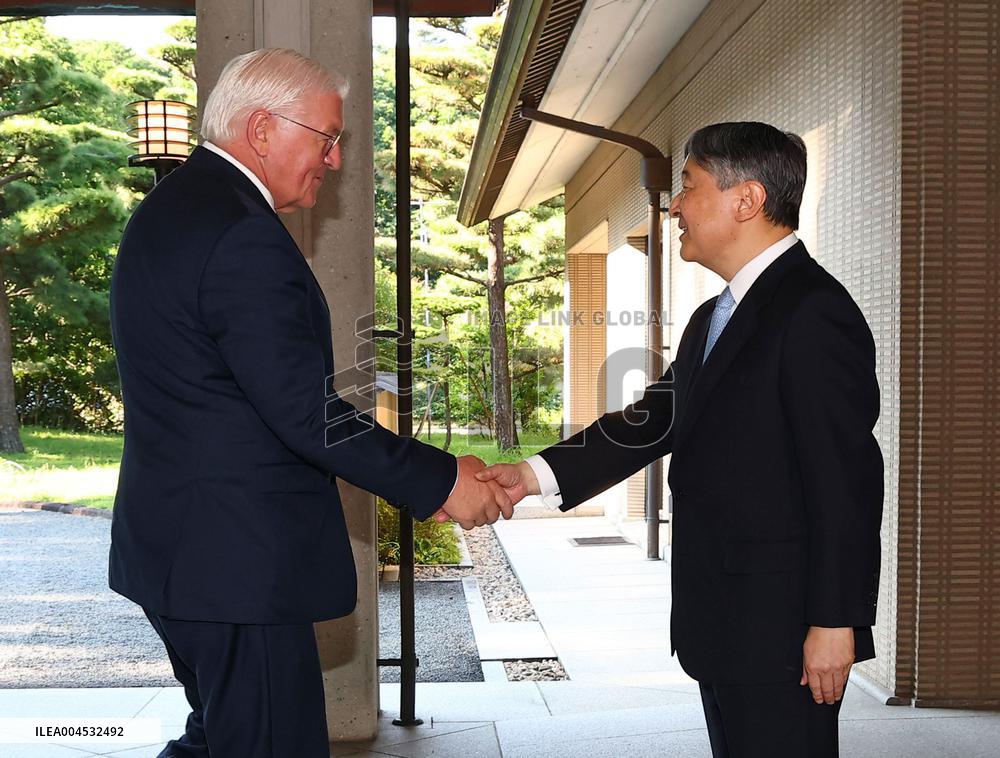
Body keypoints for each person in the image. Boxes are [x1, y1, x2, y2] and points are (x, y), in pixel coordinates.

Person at [109, 48, 509, 758]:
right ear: (262, 129)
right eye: (326, 137)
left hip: (189, 555)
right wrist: (441, 479)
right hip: (238, 569)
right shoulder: (239, 232)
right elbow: (303, 412)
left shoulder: (176, 207)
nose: (335, 159)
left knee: (218, 740)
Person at [477, 122, 884, 758]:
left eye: (689, 187)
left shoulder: (812, 311)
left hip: (781, 630)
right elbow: (653, 420)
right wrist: (532, 475)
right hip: (726, 621)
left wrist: (835, 620)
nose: (674, 207)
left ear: (747, 200)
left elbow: (846, 482)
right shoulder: (714, 316)